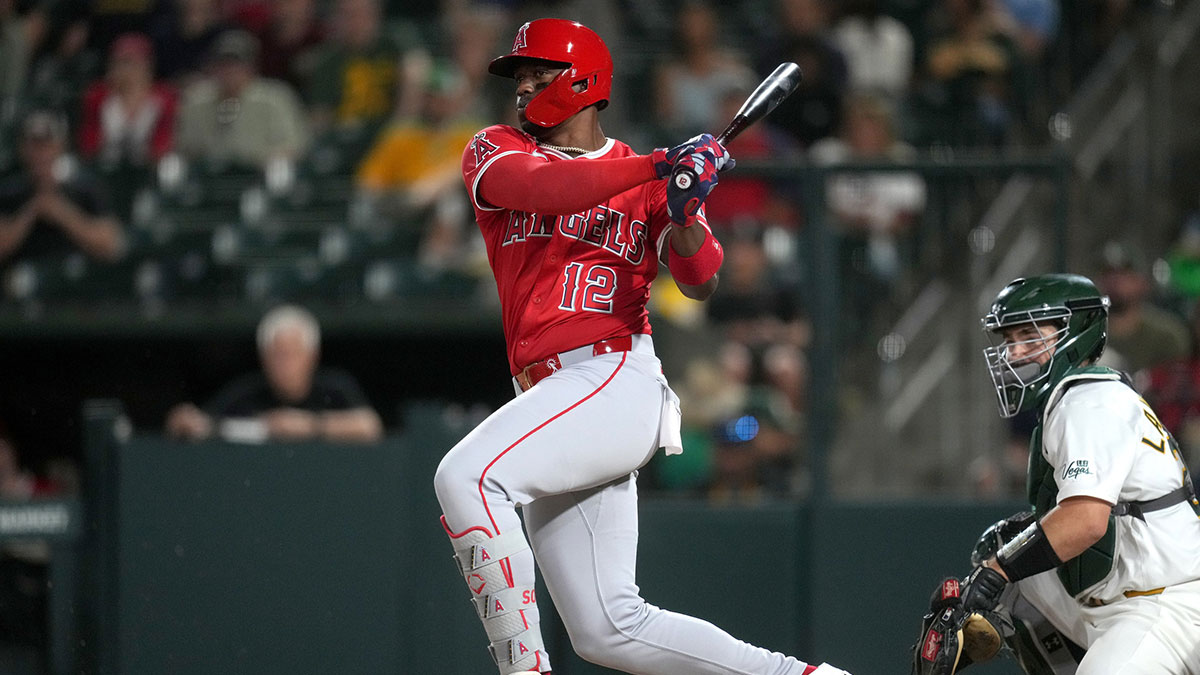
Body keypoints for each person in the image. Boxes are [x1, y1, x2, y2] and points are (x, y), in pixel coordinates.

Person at [433, 18, 850, 675]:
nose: (525, 88)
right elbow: (542, 189)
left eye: (541, 74)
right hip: (551, 397)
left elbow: (702, 275)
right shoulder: (496, 148)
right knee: (608, 627)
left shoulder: (649, 177)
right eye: (521, 77)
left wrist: (683, 207)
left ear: (587, 81)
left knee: (466, 475)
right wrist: (660, 166)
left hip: (612, 374)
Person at [914, 273, 1200, 674]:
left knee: (1002, 566)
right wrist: (977, 590)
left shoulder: (1087, 400)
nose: (1014, 353)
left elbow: (1085, 522)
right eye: (1010, 341)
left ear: (1075, 334)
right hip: (1122, 600)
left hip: (1164, 605)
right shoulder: (1082, 396)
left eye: (1031, 338)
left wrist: (993, 574)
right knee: (1004, 550)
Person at [166, 305, 383, 444]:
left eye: (292, 354)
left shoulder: (336, 388)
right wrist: (187, 421)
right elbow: (206, 423)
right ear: (263, 358)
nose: (285, 364)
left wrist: (309, 426)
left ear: (312, 355)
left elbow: (369, 426)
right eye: (277, 355)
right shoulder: (246, 391)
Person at [0, 110, 125, 264]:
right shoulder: (10, 192)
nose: (41, 154)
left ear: (60, 147)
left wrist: (61, 213)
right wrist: (32, 211)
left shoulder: (84, 188)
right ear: (23, 149)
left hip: (74, 278)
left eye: (47, 145)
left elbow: (112, 245)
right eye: (35, 146)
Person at [174, 29, 310, 169]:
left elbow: (295, 147)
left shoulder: (275, 98)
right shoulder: (197, 100)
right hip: (209, 179)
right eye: (224, 65)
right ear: (213, 67)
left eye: (236, 65)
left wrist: (266, 162)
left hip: (259, 175)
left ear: (251, 67)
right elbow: (184, 150)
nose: (230, 72)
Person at [78, 32, 177, 167]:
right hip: (104, 170)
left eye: (130, 62)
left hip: (149, 171)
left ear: (146, 65)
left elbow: (165, 145)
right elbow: (88, 145)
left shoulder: (164, 98)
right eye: (118, 63)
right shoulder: (98, 97)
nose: (125, 69)